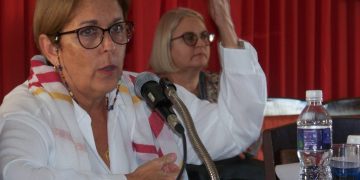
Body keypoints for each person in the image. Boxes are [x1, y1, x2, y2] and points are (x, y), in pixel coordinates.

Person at [0, 0, 266, 180]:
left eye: (117, 29)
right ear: (51, 49)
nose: (110, 46)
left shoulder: (147, 95)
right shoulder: (28, 105)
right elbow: (15, 173)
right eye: (90, 32)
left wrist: (227, 29)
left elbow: (235, 129)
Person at [149, 0, 267, 179]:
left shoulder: (222, 83)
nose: (201, 43)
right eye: (190, 38)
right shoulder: (150, 92)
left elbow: (249, 138)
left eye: (205, 36)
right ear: (166, 44)